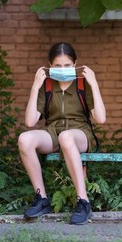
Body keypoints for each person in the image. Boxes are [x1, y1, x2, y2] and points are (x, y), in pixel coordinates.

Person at [18, 42, 106, 225]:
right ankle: (42, 199)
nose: (63, 69)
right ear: (50, 66)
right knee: (24, 139)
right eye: (58, 65)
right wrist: (35, 86)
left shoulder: (82, 84)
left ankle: (83, 201)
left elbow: (101, 118)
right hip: (52, 131)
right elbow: (30, 122)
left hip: (80, 132)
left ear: (75, 64)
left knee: (66, 137)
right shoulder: (47, 85)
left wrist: (94, 84)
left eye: (67, 65)